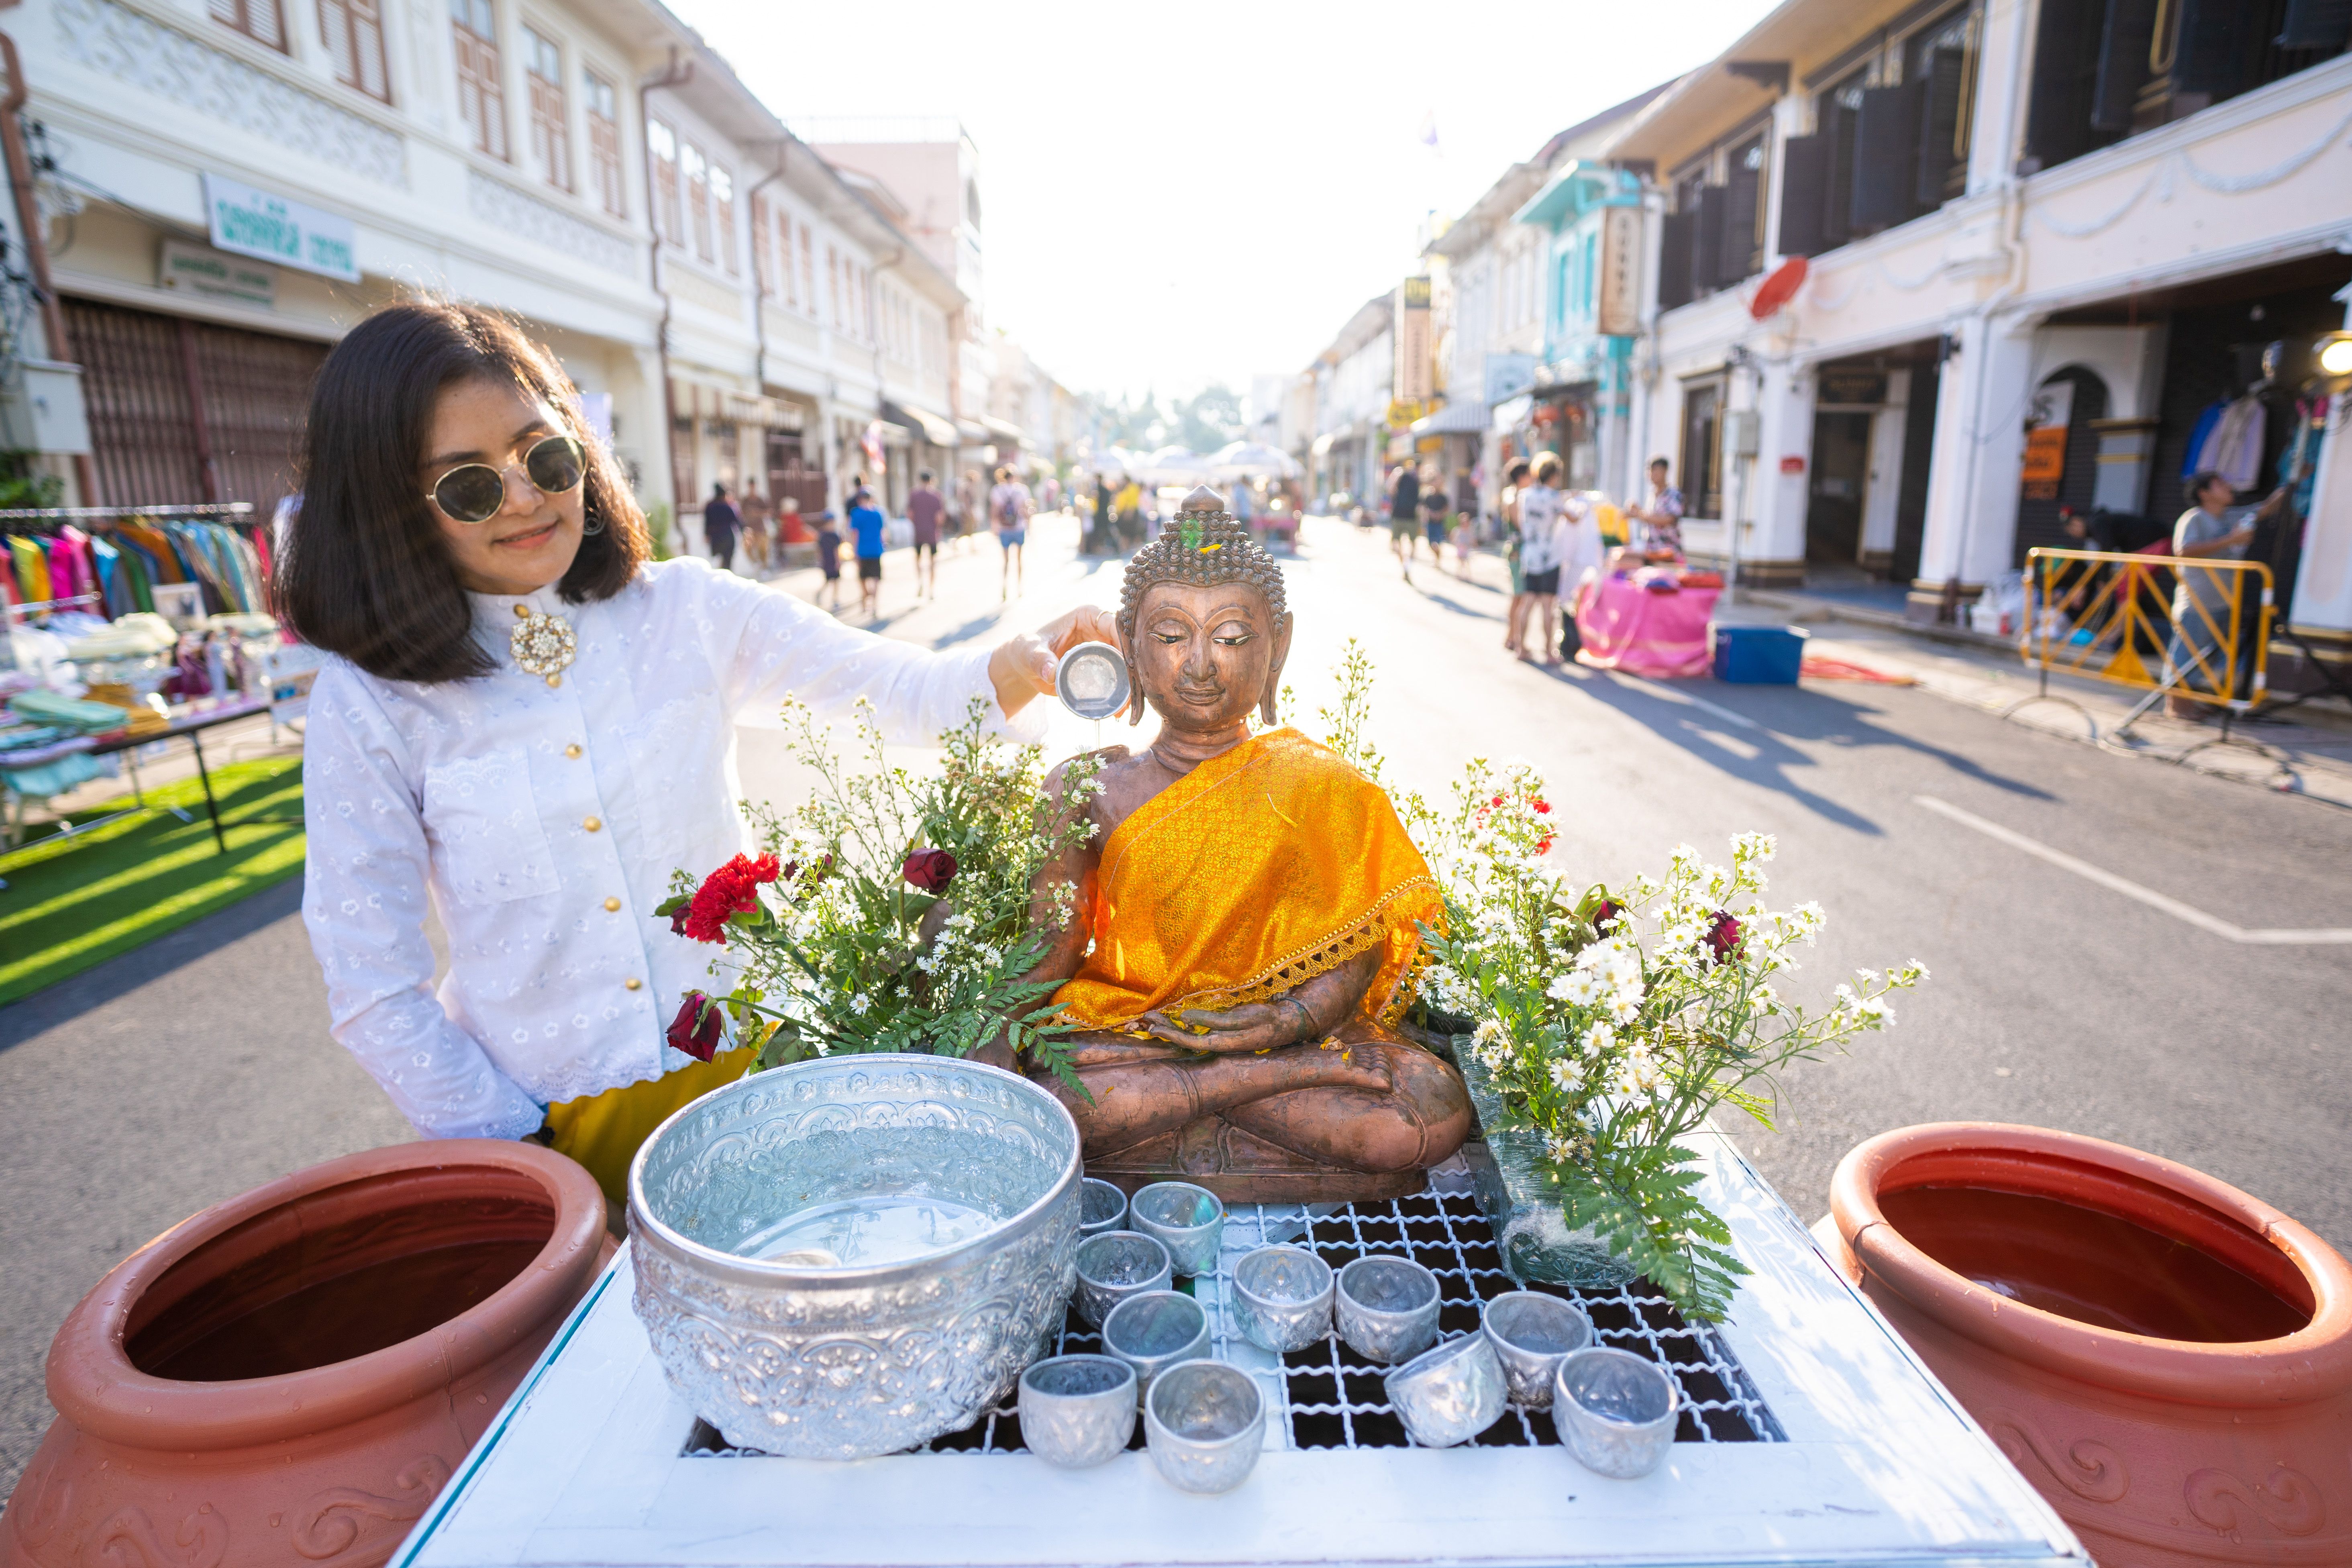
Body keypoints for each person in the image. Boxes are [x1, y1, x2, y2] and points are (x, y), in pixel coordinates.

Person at [277, 301, 1111, 1213]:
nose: (525, 497)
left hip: (760, 1074)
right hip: (549, 1135)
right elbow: (373, 987)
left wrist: (1020, 662)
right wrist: (519, 1149)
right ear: (391, 509)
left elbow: (901, 691)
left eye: (545, 457)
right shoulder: (373, 703)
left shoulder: (685, 612)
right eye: (470, 485)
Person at [2164, 469, 2298, 718]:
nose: (2228, 487)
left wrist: (2294, 477)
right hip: (2198, 601)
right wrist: (2230, 540)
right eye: (2220, 484)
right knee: (2188, 652)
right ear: (2204, 493)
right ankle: (2176, 707)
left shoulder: (2233, 515)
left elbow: (2267, 508)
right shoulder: (2195, 518)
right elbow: (2184, 551)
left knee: (2210, 654)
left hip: (2225, 600)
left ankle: (2193, 702)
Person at [1516, 454, 1569, 664]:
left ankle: (1521, 648)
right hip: (1549, 558)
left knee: (1527, 602)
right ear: (1554, 476)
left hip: (1530, 555)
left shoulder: (1525, 495)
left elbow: (1522, 523)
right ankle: (1549, 652)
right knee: (1548, 606)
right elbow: (1572, 517)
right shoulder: (1554, 497)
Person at [1499, 458, 1532, 653]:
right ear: (1522, 477)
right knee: (1519, 597)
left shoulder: (1516, 496)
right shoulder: (1513, 499)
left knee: (1520, 597)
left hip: (1520, 551)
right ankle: (1512, 637)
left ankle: (1512, 636)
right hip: (1517, 552)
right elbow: (1523, 527)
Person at [991, 464, 1033, 599]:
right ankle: (1019, 587)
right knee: (1019, 560)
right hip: (1019, 528)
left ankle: (1004, 586)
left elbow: (995, 511)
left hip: (1004, 529)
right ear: (1014, 477)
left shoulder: (997, 490)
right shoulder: (1022, 490)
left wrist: (994, 527)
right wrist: (1030, 526)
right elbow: (1025, 510)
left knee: (1006, 561)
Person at [1630, 457, 1685, 557]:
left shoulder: (1674, 494)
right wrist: (1636, 513)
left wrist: (1640, 515)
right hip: (1651, 552)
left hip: (1669, 553)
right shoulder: (1651, 496)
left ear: (1665, 471)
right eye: (1649, 470)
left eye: (1655, 470)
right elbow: (1650, 517)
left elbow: (1669, 519)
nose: (1651, 474)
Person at [849, 485, 887, 619]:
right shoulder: (878, 513)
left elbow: (855, 534)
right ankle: (874, 604)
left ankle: (866, 600)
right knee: (876, 577)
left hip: (862, 550)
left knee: (862, 578)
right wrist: (884, 545)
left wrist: (854, 551)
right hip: (876, 549)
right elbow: (883, 532)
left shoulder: (856, 513)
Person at [907, 469, 944, 599]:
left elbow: (910, 514)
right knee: (933, 562)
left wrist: (917, 523)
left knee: (918, 559)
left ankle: (920, 582)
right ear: (932, 480)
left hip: (919, 532)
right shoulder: (936, 496)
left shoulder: (914, 495)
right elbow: (939, 518)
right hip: (932, 533)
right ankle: (931, 589)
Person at [1387, 464, 1420, 579]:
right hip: (1399, 515)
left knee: (1412, 544)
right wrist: (1396, 476)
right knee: (1396, 543)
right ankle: (1405, 566)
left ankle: (1407, 567)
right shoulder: (1401, 478)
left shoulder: (1417, 480)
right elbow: (1391, 491)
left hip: (1411, 516)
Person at [702, 482, 739, 572]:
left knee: (722, 559)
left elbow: (707, 522)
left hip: (716, 538)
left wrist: (706, 535)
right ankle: (725, 575)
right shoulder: (727, 506)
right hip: (728, 537)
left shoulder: (710, 506)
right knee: (727, 560)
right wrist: (744, 531)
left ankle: (723, 574)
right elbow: (736, 520)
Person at [736, 483, 772, 575]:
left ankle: (764, 568)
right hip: (749, 530)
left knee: (763, 550)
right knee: (748, 548)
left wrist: (757, 513)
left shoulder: (760, 499)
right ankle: (756, 564)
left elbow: (769, 512)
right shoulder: (745, 500)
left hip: (760, 528)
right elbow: (740, 513)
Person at [812, 507, 843, 612]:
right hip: (828, 561)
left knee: (835, 581)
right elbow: (820, 549)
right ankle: (822, 594)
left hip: (832, 560)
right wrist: (820, 560)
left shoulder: (832, 534)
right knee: (829, 580)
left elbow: (837, 549)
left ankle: (835, 599)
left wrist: (838, 561)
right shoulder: (824, 535)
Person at [1420, 467, 1450, 562]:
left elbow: (1447, 509)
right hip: (1430, 522)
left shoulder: (1443, 497)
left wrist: (1440, 515)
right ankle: (1437, 556)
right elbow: (1424, 508)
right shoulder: (1428, 496)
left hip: (1439, 523)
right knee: (1430, 543)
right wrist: (1430, 514)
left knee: (1438, 542)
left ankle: (1438, 558)